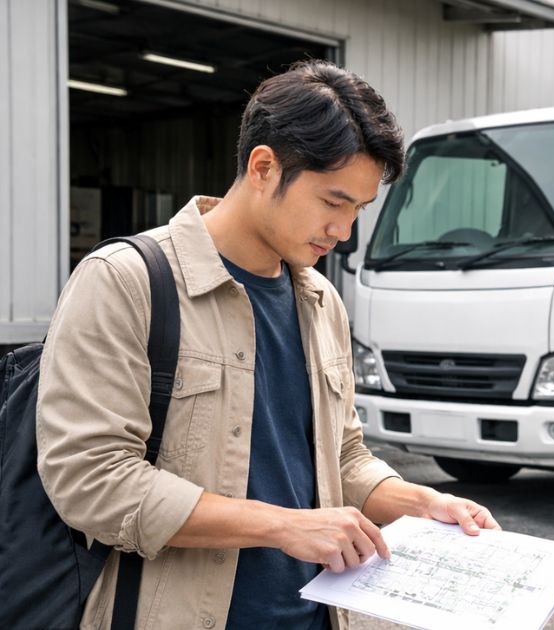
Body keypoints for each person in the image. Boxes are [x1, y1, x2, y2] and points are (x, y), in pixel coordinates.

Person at [37, 60, 499, 629]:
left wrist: (422, 503)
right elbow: (90, 480)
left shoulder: (321, 302)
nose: (345, 231)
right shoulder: (126, 281)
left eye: (358, 208)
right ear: (263, 167)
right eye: (333, 203)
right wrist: (282, 525)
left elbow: (343, 457)